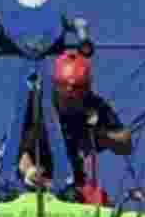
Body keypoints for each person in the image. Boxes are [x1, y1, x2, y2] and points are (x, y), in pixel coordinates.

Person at [18, 51, 134, 204]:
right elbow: (18, 150)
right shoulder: (36, 104)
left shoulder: (94, 105)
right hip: (33, 178)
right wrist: (30, 171)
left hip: (71, 184)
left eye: (78, 99)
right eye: (67, 99)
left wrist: (100, 136)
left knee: (90, 199)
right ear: (57, 89)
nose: (72, 104)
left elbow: (125, 142)